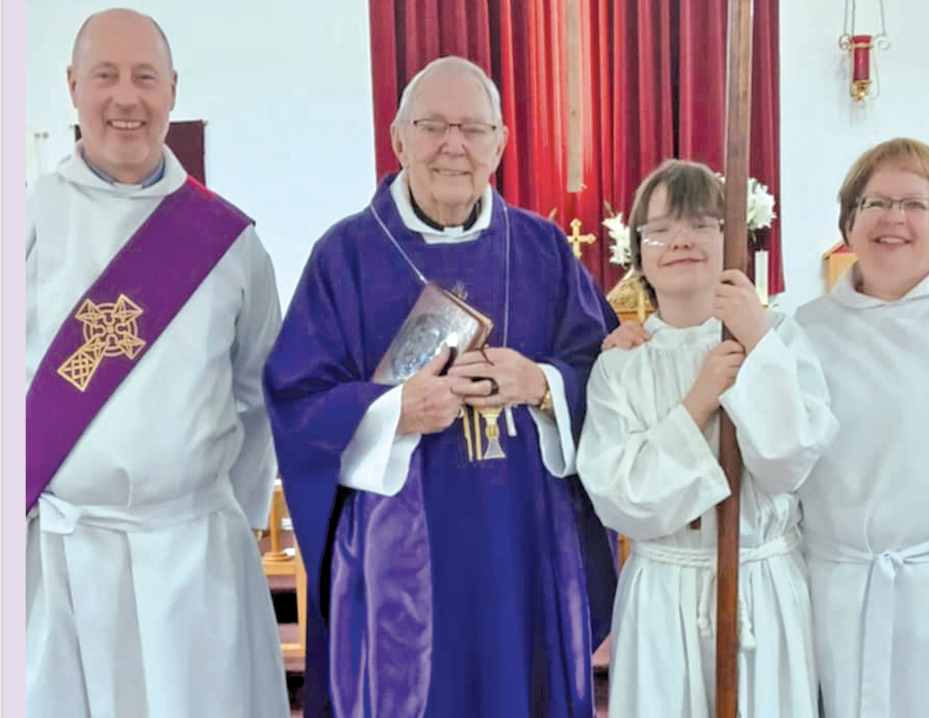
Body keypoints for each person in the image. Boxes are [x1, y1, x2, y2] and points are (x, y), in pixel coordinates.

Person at [262, 56, 618, 718]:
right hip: (400, 563)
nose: (453, 145)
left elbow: (606, 366)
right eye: (432, 126)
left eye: (473, 129)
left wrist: (540, 384)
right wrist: (392, 410)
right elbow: (295, 398)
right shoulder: (344, 256)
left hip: (523, 544)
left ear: (500, 145)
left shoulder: (543, 251)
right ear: (398, 139)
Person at [26, 9, 288, 717]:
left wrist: (205, 510)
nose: (126, 98)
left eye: (145, 77)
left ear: (172, 89)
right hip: (58, 559)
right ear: (72, 86)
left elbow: (257, 398)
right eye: (105, 76)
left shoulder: (230, 244)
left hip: (195, 560)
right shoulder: (24, 222)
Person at [578, 159, 838, 717]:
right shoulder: (622, 365)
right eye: (661, 229)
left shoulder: (780, 339)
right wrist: (697, 402)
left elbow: (788, 463)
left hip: (761, 589)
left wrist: (759, 345)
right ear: (638, 252)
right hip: (663, 595)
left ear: (733, 239)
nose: (680, 241)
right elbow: (622, 500)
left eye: (701, 223)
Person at [795, 138, 929, 718]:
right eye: (875, 202)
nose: (894, 218)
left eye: (915, 204)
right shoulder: (803, 330)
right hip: (842, 593)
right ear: (849, 222)